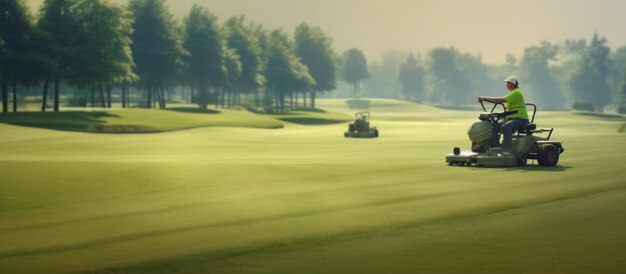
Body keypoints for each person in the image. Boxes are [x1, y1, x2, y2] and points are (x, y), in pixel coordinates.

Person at [477, 76, 529, 154]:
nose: (506, 85)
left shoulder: (516, 93)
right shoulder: (513, 93)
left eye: (507, 83)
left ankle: (507, 150)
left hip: (521, 119)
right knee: (495, 126)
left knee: (507, 126)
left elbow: (501, 100)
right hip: (512, 119)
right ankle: (496, 148)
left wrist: (485, 98)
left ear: (512, 84)